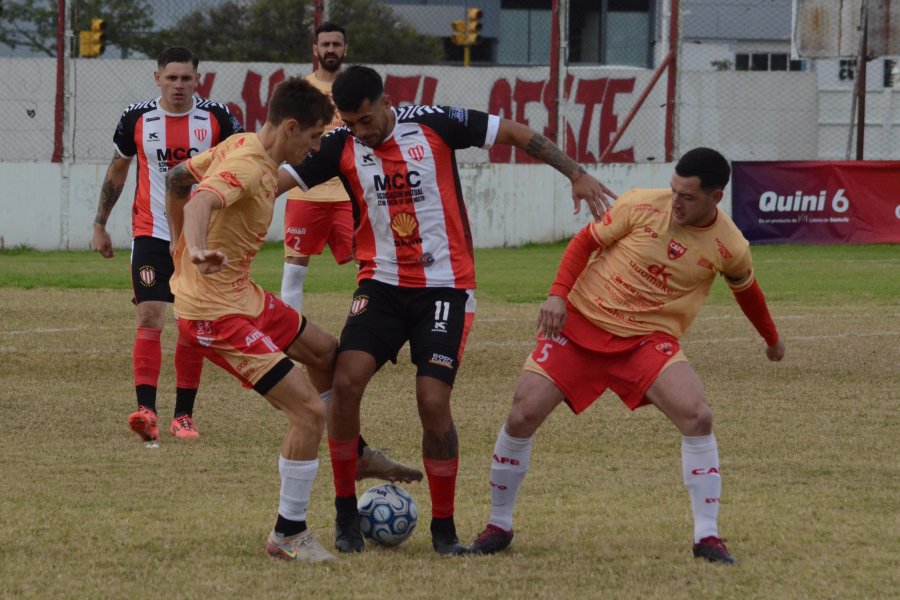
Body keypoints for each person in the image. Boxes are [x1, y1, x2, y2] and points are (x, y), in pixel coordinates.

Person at [279, 65, 614, 556]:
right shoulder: (341, 146)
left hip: (445, 288)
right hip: (381, 284)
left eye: (367, 120)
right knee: (345, 382)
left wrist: (577, 173)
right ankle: (346, 515)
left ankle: (444, 530)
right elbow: (275, 178)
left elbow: (516, 133)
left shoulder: (436, 123)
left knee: (433, 403)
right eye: (351, 124)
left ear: (385, 100)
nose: (362, 132)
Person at [467, 147, 786, 564]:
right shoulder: (638, 204)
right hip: (582, 325)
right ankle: (499, 524)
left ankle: (707, 537)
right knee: (522, 413)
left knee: (697, 415)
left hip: (646, 341)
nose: (675, 203)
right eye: (673, 191)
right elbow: (584, 242)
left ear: (716, 197)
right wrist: (557, 296)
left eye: (687, 197)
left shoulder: (730, 246)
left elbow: (749, 293)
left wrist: (772, 339)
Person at [165, 77, 338, 562]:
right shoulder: (245, 162)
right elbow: (200, 198)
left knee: (327, 352)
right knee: (308, 411)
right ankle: (288, 534)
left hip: (243, 296)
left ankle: (351, 450)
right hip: (215, 315)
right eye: (314, 137)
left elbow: (179, 178)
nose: (317, 147)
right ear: (290, 127)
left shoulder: (243, 140)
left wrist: (179, 247)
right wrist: (194, 248)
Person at [91, 47, 243, 441]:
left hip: (198, 236)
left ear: (198, 80)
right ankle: (146, 411)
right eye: (171, 77)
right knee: (150, 316)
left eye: (186, 78)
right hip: (151, 231)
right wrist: (100, 224)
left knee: (191, 324)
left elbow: (242, 165)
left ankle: (183, 416)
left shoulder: (218, 118)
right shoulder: (137, 117)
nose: (178, 85)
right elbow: (118, 169)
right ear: (157, 78)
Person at [281, 21, 354, 315]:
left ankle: (366, 332)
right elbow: (284, 136)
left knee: (371, 262)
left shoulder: (356, 88)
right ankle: (290, 334)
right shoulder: (301, 91)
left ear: (345, 48)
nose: (331, 50)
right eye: (326, 45)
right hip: (304, 191)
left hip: (350, 193)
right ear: (316, 49)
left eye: (337, 44)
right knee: (294, 267)